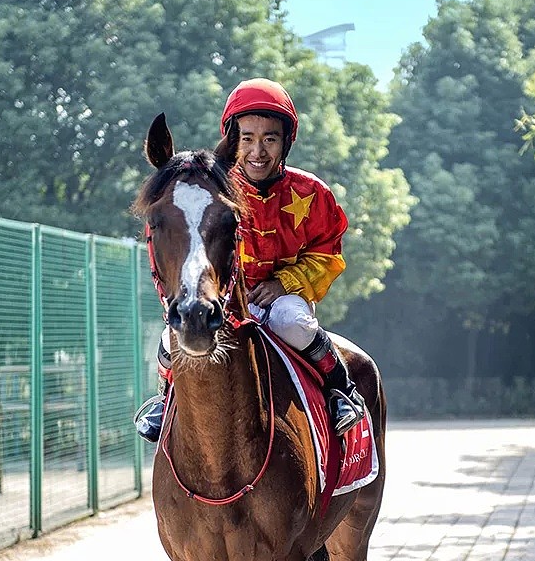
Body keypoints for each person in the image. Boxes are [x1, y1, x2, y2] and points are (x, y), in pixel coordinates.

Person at [134, 78, 366, 444]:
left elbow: (327, 252)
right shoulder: (216, 188)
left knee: (294, 323)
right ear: (232, 140)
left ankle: (341, 393)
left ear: (285, 142)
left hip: (282, 296)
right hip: (226, 295)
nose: (258, 151)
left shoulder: (313, 193)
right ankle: (166, 401)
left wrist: (283, 284)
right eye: (247, 139)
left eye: (270, 139)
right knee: (170, 338)